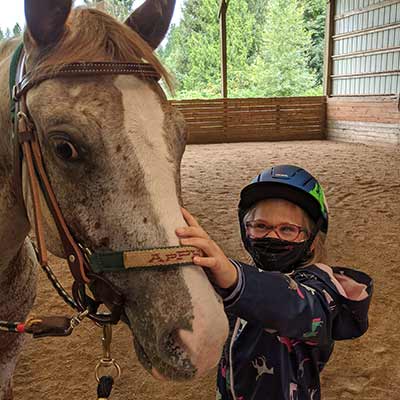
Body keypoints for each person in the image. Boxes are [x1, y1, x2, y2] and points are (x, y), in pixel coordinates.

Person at [176, 164, 372, 400]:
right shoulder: (239, 281)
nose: (271, 236)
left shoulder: (323, 288)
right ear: (245, 230)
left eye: (288, 229)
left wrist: (233, 277)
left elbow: (295, 306)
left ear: (311, 240)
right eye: (260, 226)